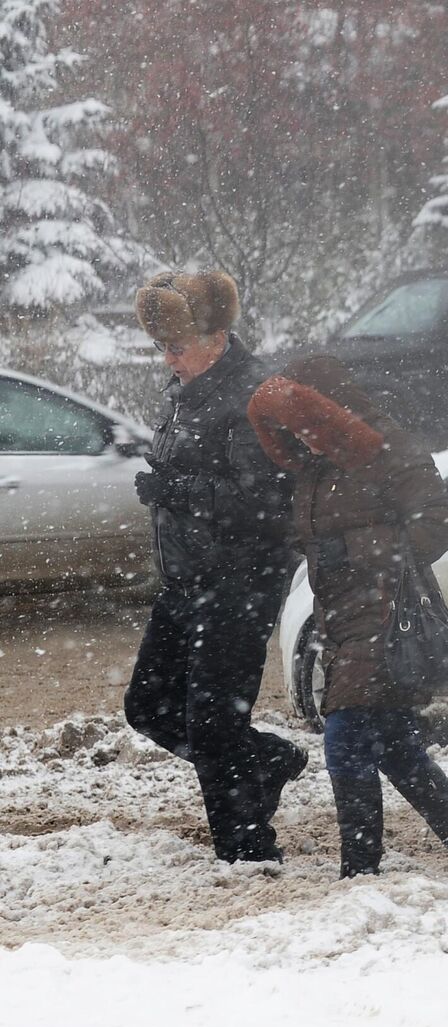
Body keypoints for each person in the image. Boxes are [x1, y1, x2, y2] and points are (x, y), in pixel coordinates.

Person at [248, 356, 448, 878]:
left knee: (344, 738)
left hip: (387, 615)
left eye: (310, 427)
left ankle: (360, 869)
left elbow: (436, 526)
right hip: (339, 619)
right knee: (399, 750)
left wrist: (358, 552)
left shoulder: (390, 451)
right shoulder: (313, 469)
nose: (305, 439)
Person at [123, 270, 305, 863]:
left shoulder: (252, 394)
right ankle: (270, 761)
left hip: (241, 580)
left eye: (177, 347)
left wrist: (176, 488)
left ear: (217, 333)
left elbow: (266, 500)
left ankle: (247, 850)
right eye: (162, 348)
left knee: (213, 723)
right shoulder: (187, 392)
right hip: (186, 579)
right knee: (147, 706)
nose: (169, 360)